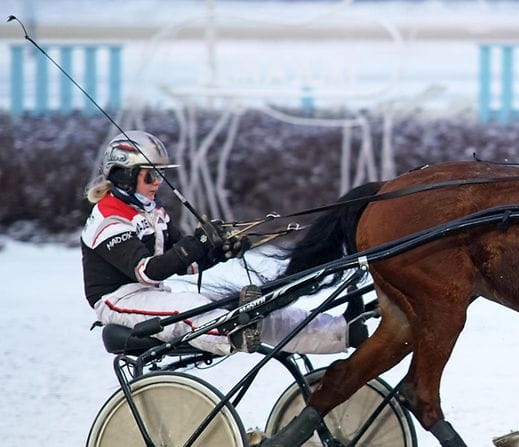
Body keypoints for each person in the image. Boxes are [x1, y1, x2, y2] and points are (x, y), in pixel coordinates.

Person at [81, 130, 360, 356]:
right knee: (191, 307)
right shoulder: (108, 218)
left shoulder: (152, 212)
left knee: (251, 306)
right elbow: (147, 271)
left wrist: (217, 253)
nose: (158, 182)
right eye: (150, 175)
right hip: (119, 301)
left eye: (161, 174)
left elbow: (185, 265)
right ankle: (232, 335)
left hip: (152, 294)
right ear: (125, 176)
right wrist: (195, 244)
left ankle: (338, 332)